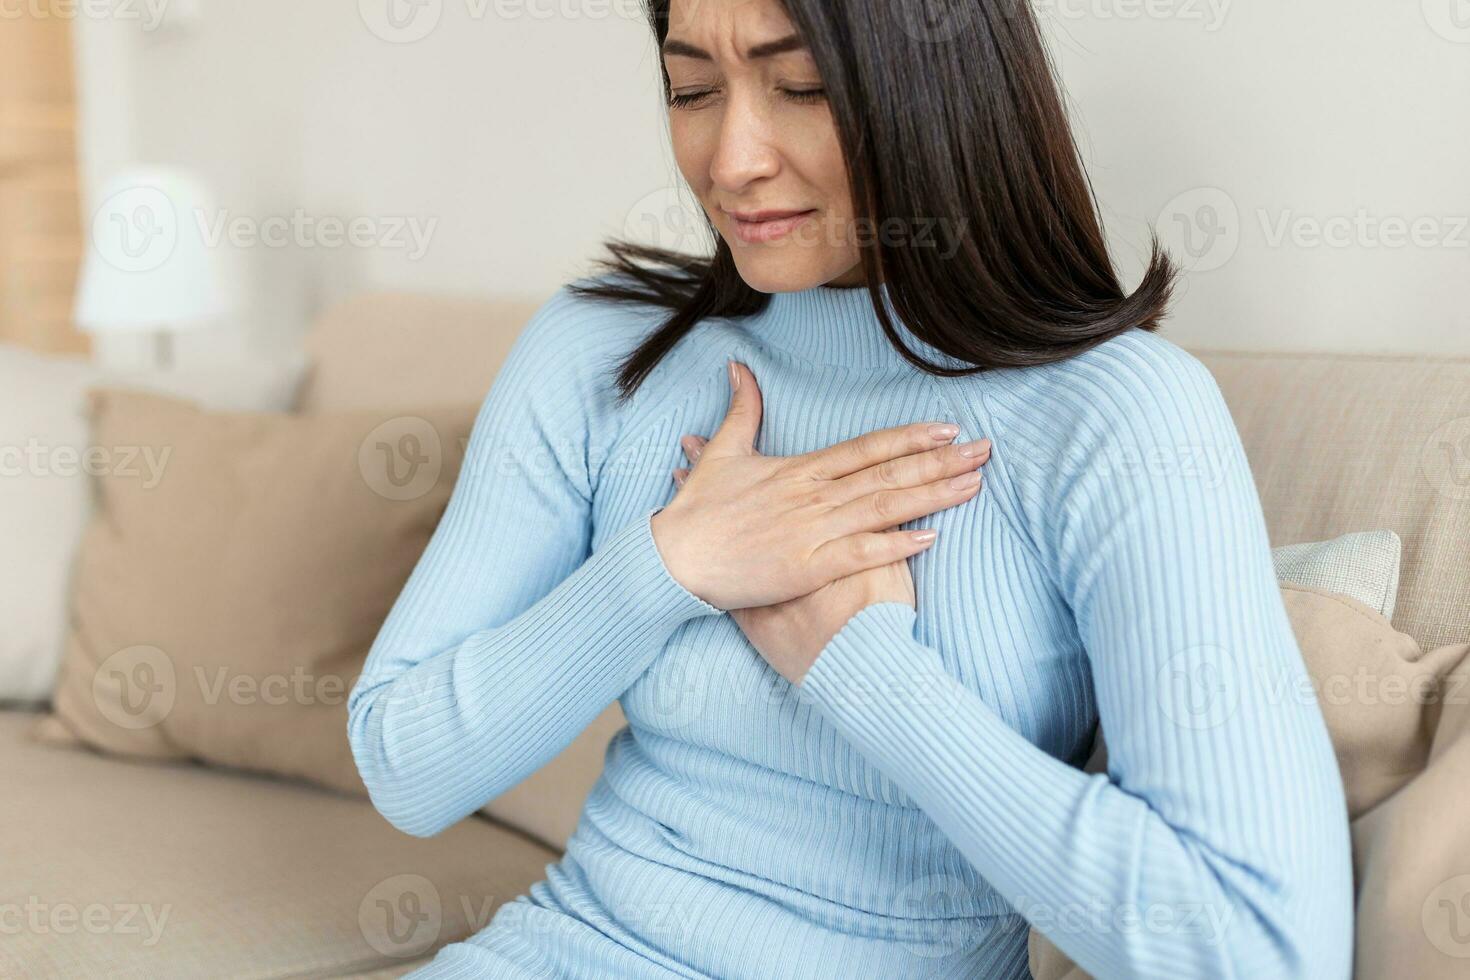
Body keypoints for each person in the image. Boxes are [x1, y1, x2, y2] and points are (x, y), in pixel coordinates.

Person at [347, 0, 1355, 976]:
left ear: (941, 86)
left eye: (803, 86)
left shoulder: (1118, 415)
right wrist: (672, 563)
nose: (732, 160)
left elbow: (1259, 948)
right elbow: (406, 763)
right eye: (692, 88)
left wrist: (860, 663)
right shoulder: (601, 350)